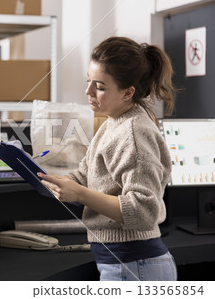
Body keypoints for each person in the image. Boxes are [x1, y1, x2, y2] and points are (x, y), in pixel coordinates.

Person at [39, 36, 177, 281]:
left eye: (99, 87)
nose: (88, 91)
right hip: (124, 262)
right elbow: (84, 175)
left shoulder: (135, 132)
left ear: (127, 92)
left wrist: (80, 194)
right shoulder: (111, 124)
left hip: (136, 265)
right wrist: (39, 174)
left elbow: (143, 211)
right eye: (89, 82)